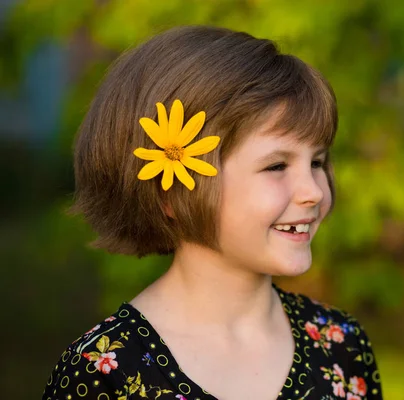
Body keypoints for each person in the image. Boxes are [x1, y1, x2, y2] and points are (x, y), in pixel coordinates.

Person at [42, 25, 383, 400]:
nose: (314, 191)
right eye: (276, 166)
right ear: (170, 190)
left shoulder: (340, 346)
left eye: (317, 162)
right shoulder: (103, 371)